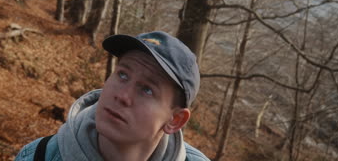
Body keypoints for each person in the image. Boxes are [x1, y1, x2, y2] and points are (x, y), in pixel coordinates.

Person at [15, 31, 210, 161]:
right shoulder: (38, 156)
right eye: (123, 75)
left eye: (147, 89)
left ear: (175, 120)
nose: (123, 96)